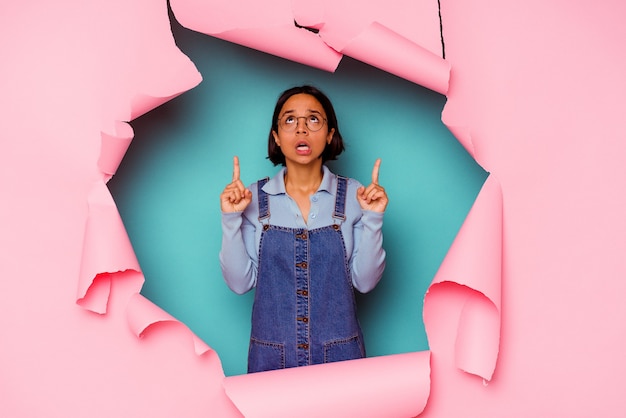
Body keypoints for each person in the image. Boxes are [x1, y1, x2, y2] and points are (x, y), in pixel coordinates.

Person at [219, 85, 388, 373]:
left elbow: (365, 281)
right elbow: (239, 283)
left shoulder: (355, 196)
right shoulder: (251, 199)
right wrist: (230, 218)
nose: (301, 130)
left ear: (330, 134)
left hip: (341, 358)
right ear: (276, 137)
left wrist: (373, 218)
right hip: (271, 360)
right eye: (289, 120)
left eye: (313, 119)